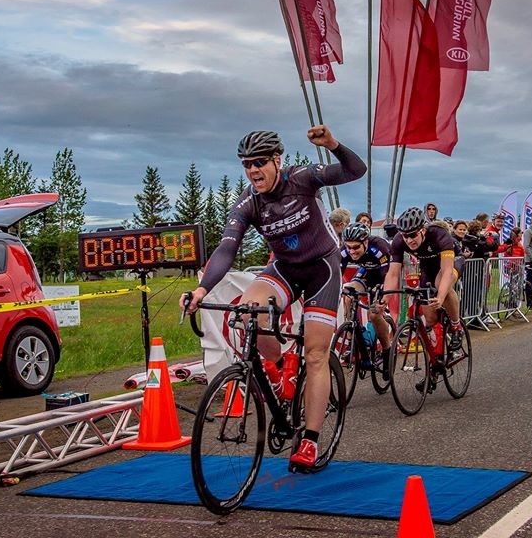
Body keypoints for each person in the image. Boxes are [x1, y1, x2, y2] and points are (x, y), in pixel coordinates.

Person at [186, 125, 365, 472]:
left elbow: (355, 170)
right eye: (246, 164)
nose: (253, 170)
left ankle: (310, 439)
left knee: (315, 354)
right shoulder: (248, 203)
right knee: (248, 311)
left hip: (321, 269)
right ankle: (281, 368)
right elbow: (226, 249)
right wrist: (201, 290)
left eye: (259, 162)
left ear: (277, 161)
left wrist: (332, 144)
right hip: (285, 268)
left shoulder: (302, 178)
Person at [382, 207, 465, 392]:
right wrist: (386, 297)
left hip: (451, 262)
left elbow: (446, 272)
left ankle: (456, 325)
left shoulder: (439, 234)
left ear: (423, 229)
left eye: (413, 235)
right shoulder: (399, 241)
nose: (409, 240)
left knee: (442, 283)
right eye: (405, 236)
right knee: (430, 319)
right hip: (428, 267)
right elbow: (393, 273)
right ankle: (434, 367)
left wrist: (440, 296)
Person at [339, 222, 392, 379]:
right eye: (348, 247)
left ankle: (387, 351)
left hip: (384, 275)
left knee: (374, 314)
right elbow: (336, 274)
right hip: (366, 272)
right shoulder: (344, 251)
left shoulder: (379, 247)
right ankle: (353, 338)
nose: (352, 251)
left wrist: (382, 294)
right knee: (348, 294)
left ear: (366, 242)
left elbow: (388, 275)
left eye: (356, 247)